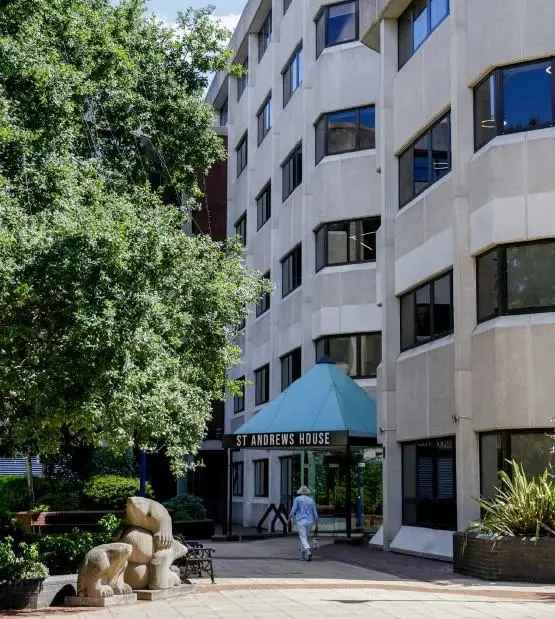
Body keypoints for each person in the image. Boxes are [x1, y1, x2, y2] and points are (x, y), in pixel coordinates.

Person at [289, 485, 318, 561]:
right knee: (305, 538)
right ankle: (302, 556)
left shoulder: (297, 499)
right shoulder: (311, 500)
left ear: (300, 492)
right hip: (310, 521)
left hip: (301, 521)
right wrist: (316, 522)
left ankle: (308, 551)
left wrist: (289, 517)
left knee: (302, 537)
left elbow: (293, 510)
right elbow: (315, 513)